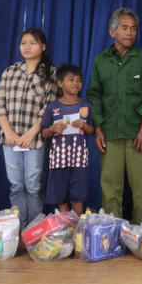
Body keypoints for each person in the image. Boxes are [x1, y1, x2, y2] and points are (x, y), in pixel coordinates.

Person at [87, 8, 142, 223]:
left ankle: (139, 235)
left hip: (139, 135)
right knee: (110, 189)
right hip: (110, 134)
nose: (130, 33)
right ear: (112, 32)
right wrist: (98, 129)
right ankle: (112, 236)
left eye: (133, 29)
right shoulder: (101, 60)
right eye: (124, 28)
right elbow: (94, 96)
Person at [0, 28, 57, 227]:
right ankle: (18, 229)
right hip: (9, 139)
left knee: (33, 186)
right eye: (24, 43)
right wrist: (9, 132)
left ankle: (33, 230)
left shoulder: (51, 73)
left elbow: (50, 108)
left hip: (35, 139)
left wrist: (30, 133)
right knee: (16, 186)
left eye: (33, 42)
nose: (27, 46)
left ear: (43, 46)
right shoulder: (10, 71)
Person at [40, 63, 95, 216]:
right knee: (62, 198)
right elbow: (44, 132)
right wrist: (52, 128)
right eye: (70, 79)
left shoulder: (86, 105)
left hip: (79, 159)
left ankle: (77, 230)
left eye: (79, 80)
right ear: (60, 83)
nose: (75, 83)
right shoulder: (53, 107)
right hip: (59, 159)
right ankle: (66, 230)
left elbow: (91, 131)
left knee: (77, 198)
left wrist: (84, 125)